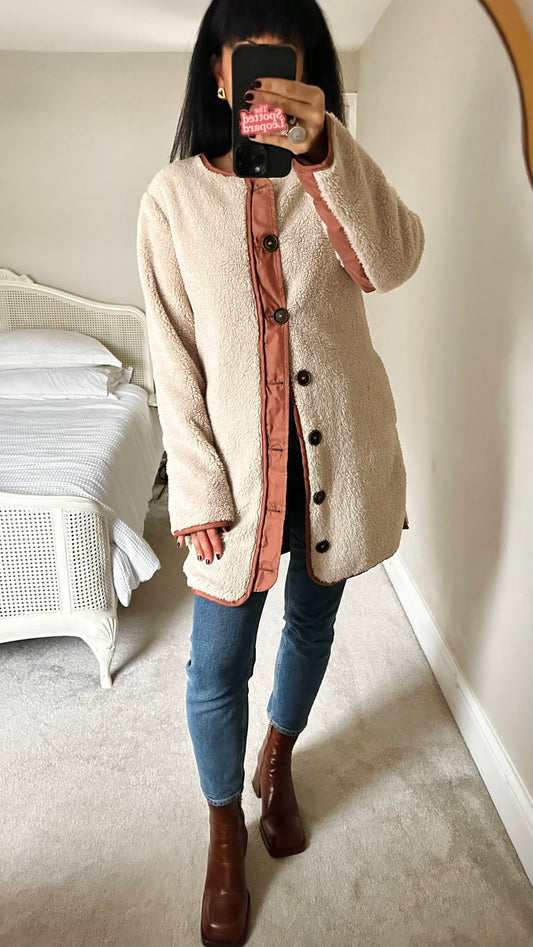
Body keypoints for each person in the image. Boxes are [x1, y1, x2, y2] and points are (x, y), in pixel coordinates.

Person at [136, 2, 425, 943]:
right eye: (247, 60)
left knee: (311, 623)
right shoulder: (171, 199)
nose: (266, 80)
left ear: (311, 78)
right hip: (236, 481)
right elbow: (172, 354)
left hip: (338, 467)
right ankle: (224, 823)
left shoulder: (333, 170)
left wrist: (327, 149)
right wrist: (196, 489)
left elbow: (394, 261)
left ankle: (280, 756)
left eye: (287, 65)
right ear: (217, 74)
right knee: (215, 662)